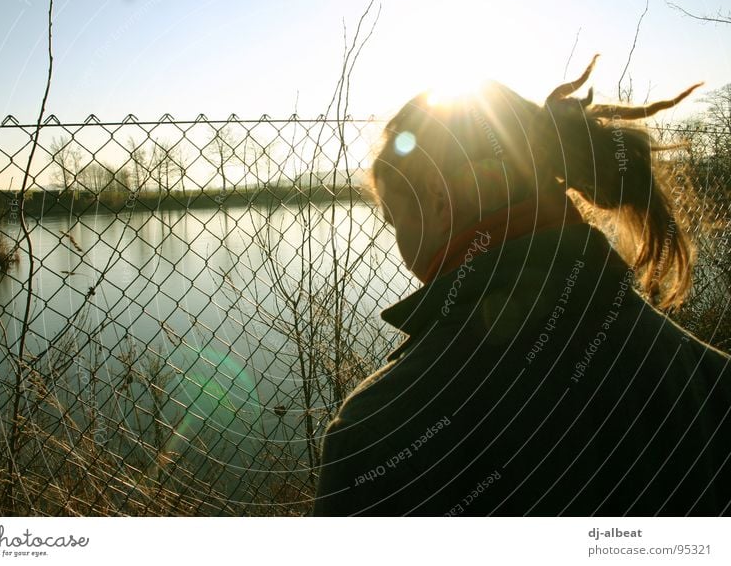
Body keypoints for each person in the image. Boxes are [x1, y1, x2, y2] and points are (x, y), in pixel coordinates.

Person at [312, 56, 731, 516]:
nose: (401, 246)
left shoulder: (382, 428)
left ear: (436, 196)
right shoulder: (711, 375)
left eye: (394, 219)